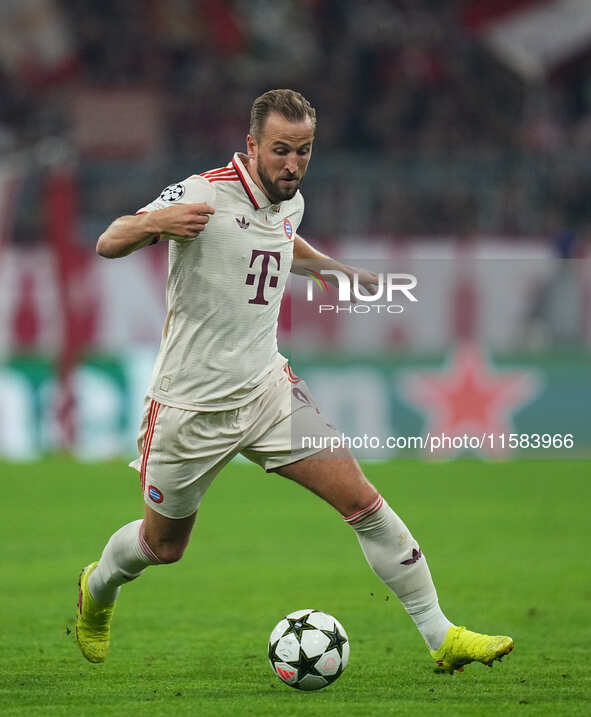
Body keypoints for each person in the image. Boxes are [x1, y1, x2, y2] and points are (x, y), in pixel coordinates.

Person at [76, 89, 513, 674]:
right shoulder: (203, 193)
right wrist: (156, 221)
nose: (292, 165)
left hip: (267, 392)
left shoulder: (291, 200)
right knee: (163, 547)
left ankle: (442, 636)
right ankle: (98, 588)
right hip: (188, 409)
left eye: (303, 152)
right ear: (252, 144)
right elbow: (109, 241)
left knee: (363, 502)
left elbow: (281, 237)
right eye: (281, 150)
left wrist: (331, 271)